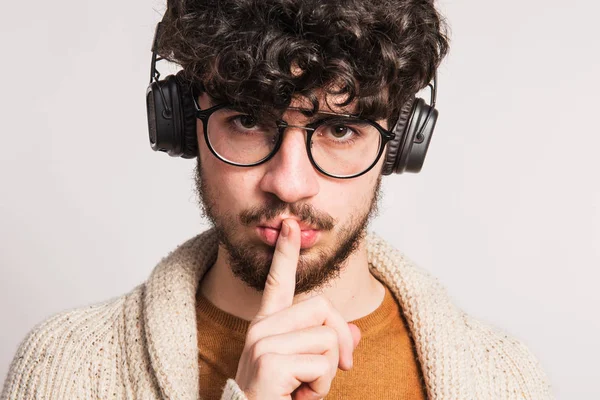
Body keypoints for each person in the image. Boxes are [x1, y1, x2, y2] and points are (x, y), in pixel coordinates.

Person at [1, 0, 553, 399]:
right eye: (247, 121)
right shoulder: (69, 370)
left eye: (340, 131)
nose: (288, 184)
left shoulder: (505, 381)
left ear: (401, 142)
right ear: (179, 125)